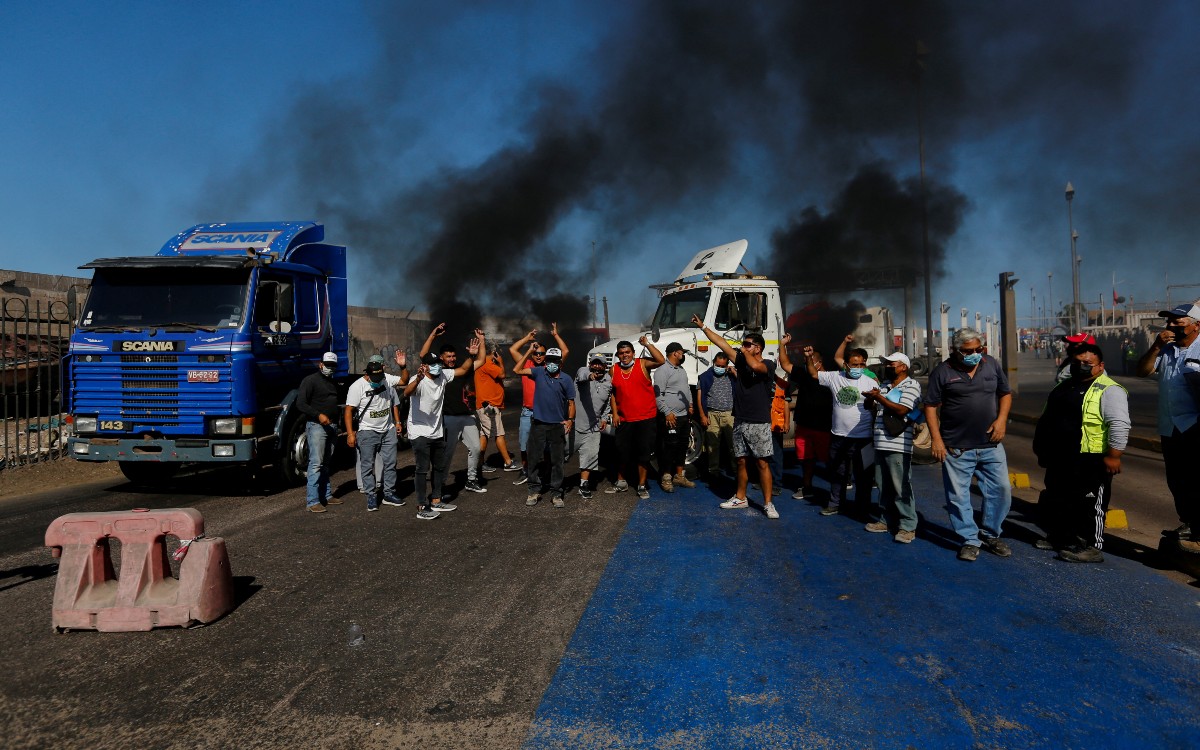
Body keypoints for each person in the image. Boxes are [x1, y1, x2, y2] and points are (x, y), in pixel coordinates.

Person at [923, 328, 1013, 562]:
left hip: (991, 445)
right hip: (957, 448)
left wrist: (1001, 420)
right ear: (955, 350)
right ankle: (970, 540)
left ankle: (991, 534)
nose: (974, 354)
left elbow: (1005, 393)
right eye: (968, 351)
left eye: (978, 349)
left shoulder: (991, 365)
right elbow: (930, 407)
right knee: (958, 497)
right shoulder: (943, 372)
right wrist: (937, 440)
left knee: (1001, 490)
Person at [1033, 343, 1129, 562]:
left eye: (1087, 363)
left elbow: (1119, 424)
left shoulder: (1109, 389)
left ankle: (1091, 546)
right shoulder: (1063, 387)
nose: (1081, 366)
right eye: (1077, 362)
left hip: (1090, 458)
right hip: (1060, 457)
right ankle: (1061, 537)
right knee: (1059, 498)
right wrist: (1041, 449)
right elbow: (1046, 419)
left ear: (1100, 366)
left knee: (1089, 504)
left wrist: (1114, 456)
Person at [691, 315, 780, 519]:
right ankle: (740, 497)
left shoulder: (768, 364)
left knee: (762, 463)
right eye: (743, 344)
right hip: (740, 419)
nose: (743, 347)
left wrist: (743, 353)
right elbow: (721, 342)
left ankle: (768, 503)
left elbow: (756, 367)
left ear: (758, 348)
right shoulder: (741, 360)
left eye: (748, 344)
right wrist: (703, 327)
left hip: (758, 421)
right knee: (740, 461)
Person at [1135, 303, 1200, 550]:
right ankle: (1190, 523)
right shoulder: (1166, 350)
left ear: (1196, 325)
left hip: (1194, 425)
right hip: (1170, 426)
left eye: (1178, 322)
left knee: (1196, 479)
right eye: (1169, 321)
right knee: (1177, 480)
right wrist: (1156, 346)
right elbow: (1142, 371)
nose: (1171, 325)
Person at [404, 334, 482, 520]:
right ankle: (422, 506)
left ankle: (436, 500)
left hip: (437, 431)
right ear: (425, 366)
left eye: (438, 363)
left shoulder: (443, 375)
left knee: (439, 467)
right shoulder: (418, 379)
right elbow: (407, 392)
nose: (437, 366)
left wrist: (471, 355)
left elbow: (464, 369)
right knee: (422, 469)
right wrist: (418, 379)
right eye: (433, 364)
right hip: (419, 432)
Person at [806, 336, 878, 518]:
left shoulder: (871, 382)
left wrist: (871, 401)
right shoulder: (834, 377)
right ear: (845, 365)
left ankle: (862, 508)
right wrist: (808, 358)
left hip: (864, 439)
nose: (858, 368)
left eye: (861, 365)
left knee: (864, 476)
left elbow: (876, 408)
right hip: (839, 437)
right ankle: (835, 504)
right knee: (838, 473)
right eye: (854, 365)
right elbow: (813, 374)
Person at [420, 324, 487, 496]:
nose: (451, 358)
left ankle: (471, 479)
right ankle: (440, 486)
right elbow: (423, 356)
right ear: (441, 357)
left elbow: (481, 360)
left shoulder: (461, 369)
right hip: (448, 418)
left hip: (467, 417)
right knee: (447, 454)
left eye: (454, 356)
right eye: (448, 356)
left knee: (476, 448)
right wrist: (433, 335)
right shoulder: (439, 372)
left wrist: (481, 340)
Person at [863, 352, 922, 543]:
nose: (887, 367)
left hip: (899, 444)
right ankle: (885, 519)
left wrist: (879, 398)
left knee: (900, 486)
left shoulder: (911, 385)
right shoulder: (885, 386)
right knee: (883, 485)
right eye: (886, 364)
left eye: (891, 364)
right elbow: (872, 408)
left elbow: (903, 410)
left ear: (903, 367)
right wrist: (871, 398)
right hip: (881, 442)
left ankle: (907, 525)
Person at [514, 346, 576, 507]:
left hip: (557, 426)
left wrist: (570, 420)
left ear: (560, 362)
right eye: (549, 360)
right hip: (538, 424)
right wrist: (528, 352)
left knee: (557, 461)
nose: (551, 364)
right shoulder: (539, 372)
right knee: (533, 459)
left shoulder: (566, 379)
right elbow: (517, 370)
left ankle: (556, 493)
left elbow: (571, 403)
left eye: (555, 361)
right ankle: (533, 491)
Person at [606, 335, 666, 499]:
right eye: (621, 353)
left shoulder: (643, 363)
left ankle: (641, 485)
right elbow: (613, 394)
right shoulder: (614, 370)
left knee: (643, 454)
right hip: (624, 419)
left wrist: (647, 344)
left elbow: (661, 360)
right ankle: (621, 482)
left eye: (627, 352)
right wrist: (615, 413)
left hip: (645, 418)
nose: (624, 355)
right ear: (618, 355)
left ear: (633, 353)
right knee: (622, 452)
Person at [509, 325, 570, 485]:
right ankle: (525, 470)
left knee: (547, 446)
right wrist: (528, 341)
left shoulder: (549, 368)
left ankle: (547, 471)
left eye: (542, 353)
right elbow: (512, 350)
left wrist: (555, 335)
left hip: (545, 413)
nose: (538, 356)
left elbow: (565, 352)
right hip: (528, 411)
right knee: (524, 444)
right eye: (536, 353)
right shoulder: (526, 365)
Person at [344, 356, 404, 511]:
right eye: (374, 378)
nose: (378, 380)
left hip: (388, 430)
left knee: (391, 464)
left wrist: (403, 367)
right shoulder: (357, 387)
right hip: (367, 432)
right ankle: (371, 495)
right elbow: (348, 411)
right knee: (367, 466)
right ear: (367, 374)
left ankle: (389, 493)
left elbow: (404, 381)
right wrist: (350, 434)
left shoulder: (386, 379)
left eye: (380, 377)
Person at [295, 352, 342, 513]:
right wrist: (318, 415)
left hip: (332, 426)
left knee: (326, 463)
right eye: (328, 365)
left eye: (333, 366)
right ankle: (312, 501)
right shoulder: (310, 381)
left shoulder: (333, 382)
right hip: (317, 426)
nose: (330, 368)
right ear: (320, 364)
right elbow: (301, 403)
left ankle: (326, 495)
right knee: (316, 463)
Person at [786, 347, 832, 502]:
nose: (807, 366)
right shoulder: (803, 375)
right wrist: (782, 345)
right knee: (806, 460)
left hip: (823, 427)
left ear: (819, 363)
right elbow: (785, 364)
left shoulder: (831, 378)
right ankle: (807, 487)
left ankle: (837, 489)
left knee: (829, 459)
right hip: (804, 426)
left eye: (810, 362)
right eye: (806, 363)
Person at [654, 342, 695, 493]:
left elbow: (686, 388)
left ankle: (679, 476)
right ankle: (666, 477)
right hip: (671, 417)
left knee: (682, 446)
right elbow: (658, 395)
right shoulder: (662, 370)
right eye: (681, 352)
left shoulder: (681, 369)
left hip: (684, 416)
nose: (683, 355)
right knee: (669, 448)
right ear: (675, 353)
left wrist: (690, 404)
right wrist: (667, 412)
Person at [475, 347, 521, 474]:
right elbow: (502, 374)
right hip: (489, 407)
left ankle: (479, 463)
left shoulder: (481, 363)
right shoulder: (487, 363)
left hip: (485, 405)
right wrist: (500, 362)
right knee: (498, 433)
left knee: (484, 435)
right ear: (493, 353)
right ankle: (508, 463)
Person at [574, 355, 614, 498]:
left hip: (593, 427)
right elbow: (582, 375)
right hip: (574, 424)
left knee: (590, 456)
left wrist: (604, 418)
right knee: (562, 453)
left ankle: (583, 484)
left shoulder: (608, 381)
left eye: (600, 364)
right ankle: (553, 480)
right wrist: (589, 376)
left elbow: (608, 402)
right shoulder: (583, 371)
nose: (597, 367)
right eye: (594, 364)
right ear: (590, 364)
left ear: (605, 367)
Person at [696, 351, 735, 480]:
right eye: (717, 365)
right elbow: (700, 397)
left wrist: (735, 372)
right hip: (712, 414)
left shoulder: (732, 376)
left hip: (729, 415)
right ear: (713, 363)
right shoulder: (705, 377)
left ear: (727, 365)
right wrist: (702, 415)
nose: (720, 368)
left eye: (723, 366)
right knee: (712, 446)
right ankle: (713, 471)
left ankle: (736, 470)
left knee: (733, 445)